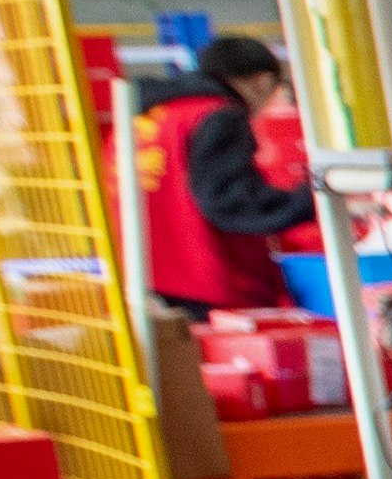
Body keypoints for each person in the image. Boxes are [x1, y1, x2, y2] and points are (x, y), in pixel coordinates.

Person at [132, 33, 318, 317]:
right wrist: (311, 201)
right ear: (263, 82)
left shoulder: (153, 114)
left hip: (145, 275)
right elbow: (230, 201)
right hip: (203, 279)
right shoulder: (218, 115)